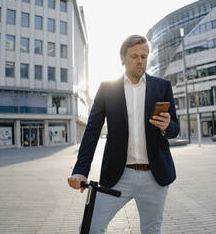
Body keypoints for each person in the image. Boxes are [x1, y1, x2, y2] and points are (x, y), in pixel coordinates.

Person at [67, 34, 180, 234]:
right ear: (122, 58)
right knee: (90, 228)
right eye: (134, 56)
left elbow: (175, 130)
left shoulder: (162, 87)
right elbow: (92, 131)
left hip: (155, 176)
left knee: (152, 230)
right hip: (118, 175)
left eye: (144, 56)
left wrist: (168, 125)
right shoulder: (107, 88)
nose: (140, 61)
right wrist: (80, 169)